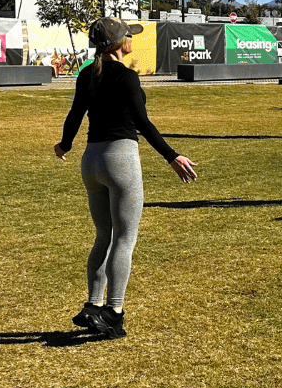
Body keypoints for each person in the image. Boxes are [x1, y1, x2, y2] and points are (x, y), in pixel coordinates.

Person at [54, 18, 199, 339]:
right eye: (128, 36)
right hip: (119, 160)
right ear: (119, 44)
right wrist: (172, 156)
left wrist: (63, 145)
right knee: (124, 239)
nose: (132, 39)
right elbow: (143, 123)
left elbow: (74, 116)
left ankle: (93, 306)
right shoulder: (127, 77)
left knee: (103, 235)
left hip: (90, 161)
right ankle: (113, 312)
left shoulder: (86, 75)